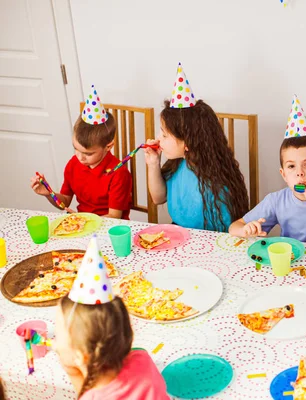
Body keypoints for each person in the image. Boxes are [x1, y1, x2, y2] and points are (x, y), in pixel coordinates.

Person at [229, 95, 306, 246]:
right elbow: (233, 227)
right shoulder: (276, 201)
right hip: (290, 263)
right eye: (291, 166)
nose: (300, 173)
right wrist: (245, 230)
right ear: (284, 175)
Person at [54, 236, 169, 399]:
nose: (53, 343)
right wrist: (74, 370)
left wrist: (73, 372)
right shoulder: (142, 359)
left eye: (57, 336)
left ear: (81, 356)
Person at [144, 63, 248, 231]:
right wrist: (153, 164)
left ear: (187, 143)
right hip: (180, 234)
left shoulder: (216, 180)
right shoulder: (178, 163)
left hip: (211, 240)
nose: (158, 139)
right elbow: (158, 198)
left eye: (164, 135)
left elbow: (222, 233)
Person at [31, 85, 132, 219]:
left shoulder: (118, 173)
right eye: (76, 149)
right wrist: (49, 193)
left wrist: (83, 220)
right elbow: (65, 202)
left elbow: (114, 216)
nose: (80, 157)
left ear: (108, 146)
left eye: (88, 154)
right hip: (83, 225)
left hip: (109, 230)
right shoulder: (73, 164)